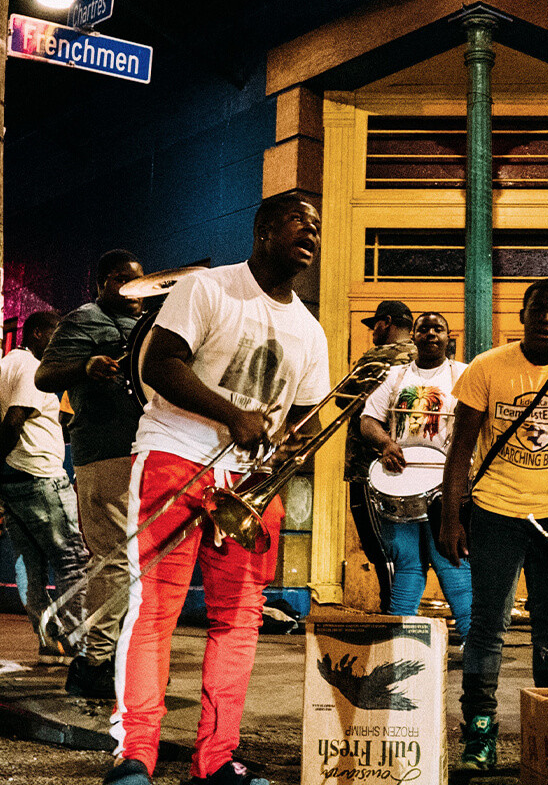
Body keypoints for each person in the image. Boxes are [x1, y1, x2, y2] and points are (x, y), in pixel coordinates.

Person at [104, 193, 330, 785]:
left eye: (317, 227)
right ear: (261, 230)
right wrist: (234, 414)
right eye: (297, 221)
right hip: (176, 456)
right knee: (156, 610)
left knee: (239, 620)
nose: (310, 232)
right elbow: (160, 365)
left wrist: (306, 440)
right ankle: (136, 753)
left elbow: (302, 421)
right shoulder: (206, 289)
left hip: (250, 482)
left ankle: (217, 759)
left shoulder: (311, 329)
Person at [440, 279, 548, 771]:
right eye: (538, 310)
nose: (547, 319)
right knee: (487, 626)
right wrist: (452, 517)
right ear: (522, 314)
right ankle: (479, 734)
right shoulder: (488, 367)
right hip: (495, 512)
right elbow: (460, 452)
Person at [35, 249, 145, 697]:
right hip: (103, 453)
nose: (134, 290)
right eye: (122, 280)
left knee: (132, 563)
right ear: (101, 283)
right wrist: (86, 366)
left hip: (139, 452)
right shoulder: (85, 319)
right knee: (116, 562)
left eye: (140, 281)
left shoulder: (143, 324)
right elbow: (45, 375)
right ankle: (93, 663)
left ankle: (114, 659)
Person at [360, 312, 472, 637]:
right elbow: (368, 420)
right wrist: (385, 444)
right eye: (424, 328)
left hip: (445, 485)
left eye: (438, 328)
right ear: (414, 336)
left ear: (449, 338)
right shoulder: (395, 376)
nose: (431, 333)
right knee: (407, 563)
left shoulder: (461, 375)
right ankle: (398, 642)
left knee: (450, 561)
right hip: (400, 480)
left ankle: (473, 644)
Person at [0, 311, 89, 664]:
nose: (59, 344)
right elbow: (14, 420)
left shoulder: (6, 364)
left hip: (13, 480)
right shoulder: (28, 367)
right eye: (55, 335)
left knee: (30, 564)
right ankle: (80, 644)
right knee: (72, 559)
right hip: (39, 476)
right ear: (37, 333)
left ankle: (48, 640)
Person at [340, 300, 417, 611]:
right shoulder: (427, 358)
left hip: (367, 466)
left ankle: (391, 610)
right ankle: (402, 607)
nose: (373, 331)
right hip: (412, 467)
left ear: (386, 322)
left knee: (377, 543)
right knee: (406, 543)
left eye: (375, 324)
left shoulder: (377, 357)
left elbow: (342, 400)